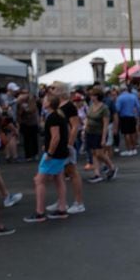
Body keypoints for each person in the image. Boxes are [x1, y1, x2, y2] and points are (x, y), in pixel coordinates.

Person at [23, 95, 70, 222]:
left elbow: (56, 137)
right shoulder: (58, 115)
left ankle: (40, 212)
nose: (43, 102)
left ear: (49, 103)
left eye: (45, 100)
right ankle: (61, 209)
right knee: (59, 179)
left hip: (54, 155)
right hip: (60, 153)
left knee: (39, 180)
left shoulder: (53, 117)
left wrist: (49, 152)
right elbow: (58, 136)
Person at [45, 82, 85, 215]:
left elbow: (75, 126)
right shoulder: (58, 106)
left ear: (61, 91)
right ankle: (62, 201)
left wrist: (70, 143)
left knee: (72, 171)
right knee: (59, 173)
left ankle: (79, 203)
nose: (50, 90)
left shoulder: (69, 106)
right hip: (59, 144)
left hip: (65, 144)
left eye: (53, 88)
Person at [84, 86, 118, 183]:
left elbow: (105, 124)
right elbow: (88, 118)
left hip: (99, 133)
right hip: (90, 132)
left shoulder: (104, 108)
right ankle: (97, 173)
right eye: (91, 95)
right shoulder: (91, 106)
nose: (91, 97)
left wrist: (103, 138)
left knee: (99, 153)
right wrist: (85, 129)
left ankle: (111, 166)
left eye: (93, 95)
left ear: (97, 96)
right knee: (94, 153)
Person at [115, 84, 140, 156]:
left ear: (121, 90)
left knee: (126, 134)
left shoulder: (119, 98)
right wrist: (137, 115)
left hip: (124, 117)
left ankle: (129, 149)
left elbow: (117, 109)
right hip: (132, 116)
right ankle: (134, 149)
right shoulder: (133, 96)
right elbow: (138, 106)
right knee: (132, 132)